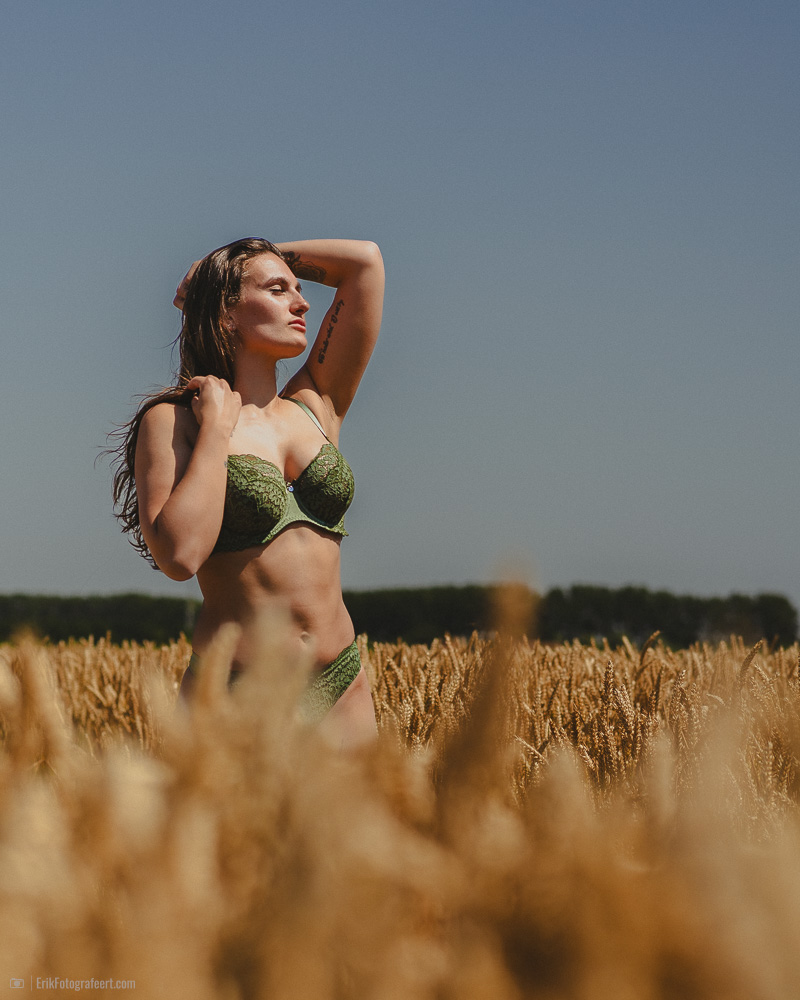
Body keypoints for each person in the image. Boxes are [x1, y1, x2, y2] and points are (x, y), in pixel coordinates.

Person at [111, 237, 384, 747]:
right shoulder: (175, 421)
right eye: (278, 289)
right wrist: (217, 430)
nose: (302, 303)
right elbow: (180, 555)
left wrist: (224, 262)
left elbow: (364, 262)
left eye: (299, 289)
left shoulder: (317, 403)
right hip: (237, 695)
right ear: (227, 313)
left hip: (341, 683)